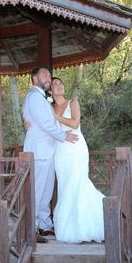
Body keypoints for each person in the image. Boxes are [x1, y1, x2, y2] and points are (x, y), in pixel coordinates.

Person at [22, 67, 78, 242]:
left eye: (48, 75)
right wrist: (63, 136)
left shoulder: (41, 97)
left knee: (46, 191)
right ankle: (32, 229)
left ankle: (45, 224)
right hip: (39, 151)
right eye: (44, 75)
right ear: (34, 78)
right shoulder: (34, 96)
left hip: (47, 150)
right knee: (38, 190)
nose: (48, 77)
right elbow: (46, 123)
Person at [50, 77, 105, 243]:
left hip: (75, 148)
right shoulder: (49, 107)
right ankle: (69, 226)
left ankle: (91, 224)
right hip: (60, 151)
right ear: (50, 91)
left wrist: (56, 118)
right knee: (65, 185)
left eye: (61, 83)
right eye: (55, 85)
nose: (59, 86)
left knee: (78, 182)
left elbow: (74, 123)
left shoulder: (72, 102)